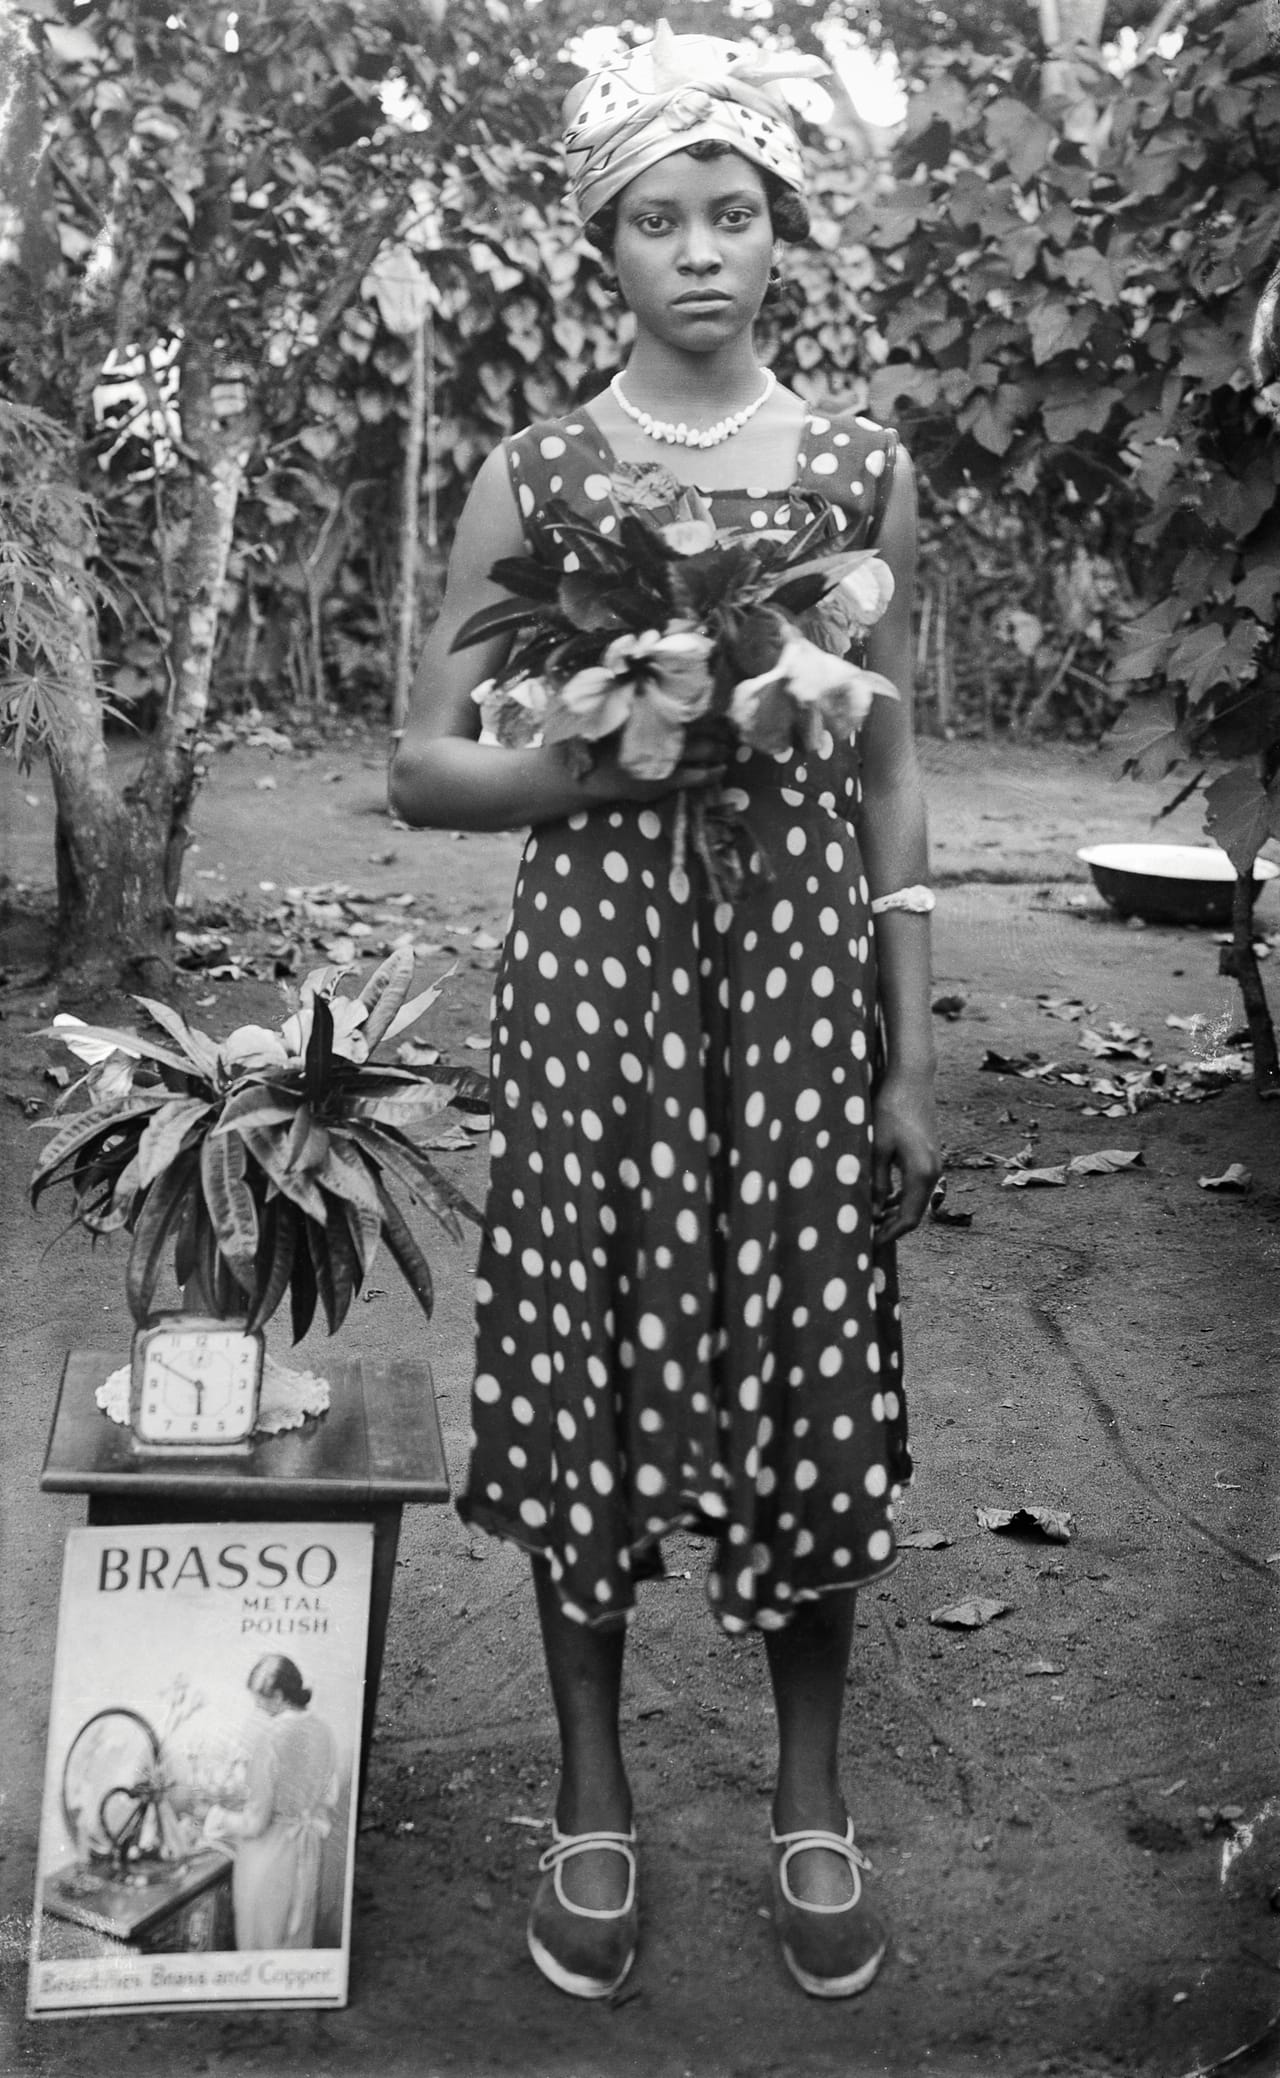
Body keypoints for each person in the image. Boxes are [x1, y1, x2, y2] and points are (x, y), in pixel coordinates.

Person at [389, 20, 939, 2003]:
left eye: (731, 214)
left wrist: (904, 1042)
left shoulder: (860, 469)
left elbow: (885, 778)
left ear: (779, 232)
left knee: (806, 1341)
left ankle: (812, 1797)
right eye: (654, 220)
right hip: (604, 971)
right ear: (599, 249)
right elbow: (428, 766)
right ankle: (595, 1791)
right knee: (588, 1350)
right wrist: (602, 767)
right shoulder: (536, 472)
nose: (699, 251)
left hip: (796, 977)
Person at [203, 1655, 338, 1950]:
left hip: (271, 1858)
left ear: (278, 1696)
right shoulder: (323, 1730)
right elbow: (322, 1795)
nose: (257, 1707)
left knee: (262, 1942)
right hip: (307, 1852)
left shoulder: (271, 1738)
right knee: (294, 1942)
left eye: (259, 1700)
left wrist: (216, 1816)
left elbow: (254, 1823)